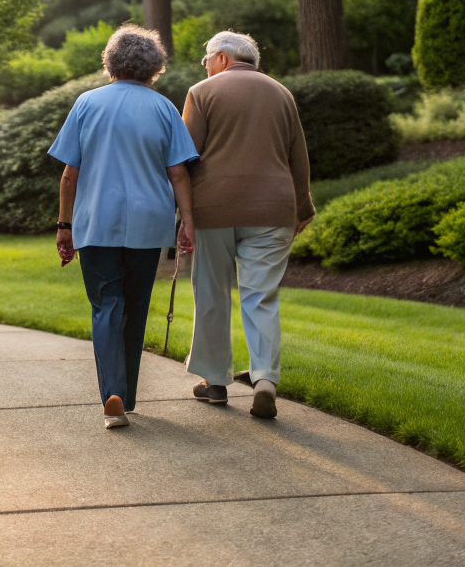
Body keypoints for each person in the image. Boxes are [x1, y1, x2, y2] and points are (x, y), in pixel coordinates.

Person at [49, 25, 198, 430]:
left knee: (107, 305)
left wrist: (64, 226)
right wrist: (187, 222)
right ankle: (126, 396)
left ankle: (112, 394)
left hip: (96, 222)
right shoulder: (164, 108)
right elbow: (179, 173)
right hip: (149, 224)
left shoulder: (86, 103)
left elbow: (69, 174)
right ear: (154, 66)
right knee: (135, 307)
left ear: (111, 62)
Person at [180, 31, 314, 419]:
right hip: (273, 209)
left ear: (222, 58)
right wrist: (303, 207)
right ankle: (265, 380)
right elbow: (298, 156)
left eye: (206, 59)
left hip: (213, 208)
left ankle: (214, 382)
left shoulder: (201, 93)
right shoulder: (282, 93)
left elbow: (185, 157)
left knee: (212, 293)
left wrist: (182, 212)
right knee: (261, 297)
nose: (205, 66)